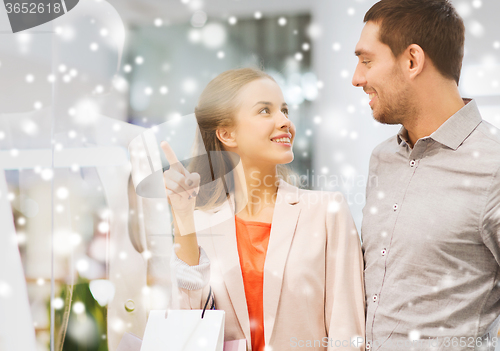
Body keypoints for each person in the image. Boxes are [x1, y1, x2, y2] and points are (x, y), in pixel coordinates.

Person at [161, 67, 365, 351]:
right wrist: (183, 217)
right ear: (226, 134)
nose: (285, 122)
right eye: (265, 111)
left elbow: (348, 334)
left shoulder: (327, 212)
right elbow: (185, 330)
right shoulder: (201, 224)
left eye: (285, 110)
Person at [352, 0, 500, 350]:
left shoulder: (493, 167)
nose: (357, 77)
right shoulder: (382, 158)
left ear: (412, 61)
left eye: (366, 60)